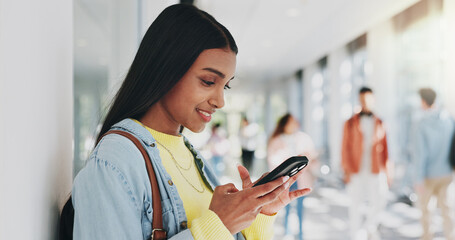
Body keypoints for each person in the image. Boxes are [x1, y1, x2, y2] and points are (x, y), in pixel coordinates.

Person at [72, 4, 311, 240]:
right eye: (208, 81)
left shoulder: (190, 155)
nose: (220, 101)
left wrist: (258, 214)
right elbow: (214, 232)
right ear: (165, 70)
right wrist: (216, 227)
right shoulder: (114, 161)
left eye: (225, 85)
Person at [341, 87, 390, 240]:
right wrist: (346, 170)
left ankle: (370, 228)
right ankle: (355, 235)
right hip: (356, 170)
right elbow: (345, 147)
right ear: (359, 100)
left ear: (373, 100)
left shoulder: (380, 121)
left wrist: (388, 170)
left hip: (375, 169)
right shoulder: (350, 123)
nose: (365, 102)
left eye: (368, 99)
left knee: (380, 199)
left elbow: (385, 148)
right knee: (356, 205)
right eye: (362, 99)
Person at [267, 113, 318, 240]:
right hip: (286, 178)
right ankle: (287, 232)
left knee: (300, 207)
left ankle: (300, 234)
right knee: (285, 205)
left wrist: (305, 158)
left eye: (295, 122)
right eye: (291, 122)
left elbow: (312, 155)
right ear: (285, 124)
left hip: (301, 178)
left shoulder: (303, 138)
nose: (294, 124)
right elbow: (273, 159)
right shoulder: (276, 140)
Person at [412, 88, 454, 240]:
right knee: (447, 211)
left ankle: (428, 237)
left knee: (426, 211)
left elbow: (420, 155)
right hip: (447, 173)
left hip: (428, 176)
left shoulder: (421, 124)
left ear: (423, 102)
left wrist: (418, 178)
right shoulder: (449, 120)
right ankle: (450, 237)